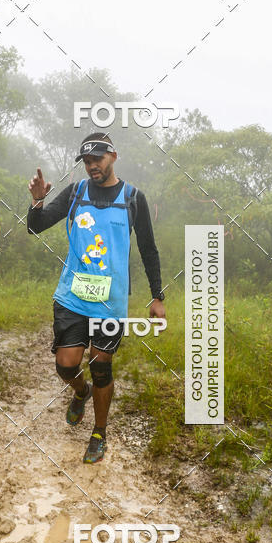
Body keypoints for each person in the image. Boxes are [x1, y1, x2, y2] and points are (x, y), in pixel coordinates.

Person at [27, 132, 165, 463]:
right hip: (72, 296)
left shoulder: (133, 198)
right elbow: (36, 227)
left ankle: (99, 432)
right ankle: (80, 392)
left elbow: (148, 248)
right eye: (87, 162)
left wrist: (157, 296)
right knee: (66, 365)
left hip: (110, 302)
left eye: (97, 160)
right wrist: (36, 202)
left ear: (113, 156)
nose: (92, 167)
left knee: (101, 368)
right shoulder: (76, 192)